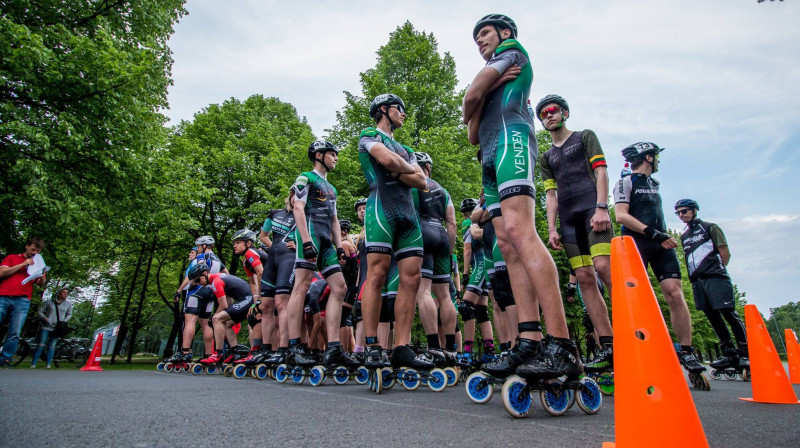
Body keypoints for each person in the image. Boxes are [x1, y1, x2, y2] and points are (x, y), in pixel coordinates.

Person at [463, 14, 581, 378]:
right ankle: (528, 338)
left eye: (484, 34)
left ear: (505, 33)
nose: (480, 41)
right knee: (506, 243)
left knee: (520, 232)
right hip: (488, 152)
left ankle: (561, 343)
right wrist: (482, 95)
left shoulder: (513, 52)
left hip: (511, 140)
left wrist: (481, 94)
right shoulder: (498, 71)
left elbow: (470, 97)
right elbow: (470, 129)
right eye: (477, 37)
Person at [535, 94, 615, 371]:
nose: (548, 116)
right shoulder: (546, 157)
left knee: (604, 267)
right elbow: (551, 195)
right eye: (543, 114)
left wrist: (602, 207)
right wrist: (552, 228)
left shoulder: (585, 137)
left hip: (593, 212)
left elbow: (602, 172)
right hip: (568, 221)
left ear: (565, 113)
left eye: (553, 111)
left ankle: (634, 332)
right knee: (584, 277)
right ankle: (609, 345)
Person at [613, 142, 705, 374]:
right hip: (638, 243)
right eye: (656, 157)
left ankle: (686, 350)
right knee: (637, 300)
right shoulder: (625, 181)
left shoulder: (655, 183)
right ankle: (639, 348)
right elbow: (621, 216)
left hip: (661, 244)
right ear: (649, 158)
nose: (658, 161)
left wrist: (659, 235)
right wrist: (653, 233)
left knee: (675, 293)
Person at [358, 93, 431, 372]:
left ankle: (402, 346)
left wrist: (401, 168)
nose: (403, 114)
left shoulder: (406, 147)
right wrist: (404, 170)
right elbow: (385, 160)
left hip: (408, 216)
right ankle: (373, 344)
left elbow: (422, 181)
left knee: (411, 279)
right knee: (377, 274)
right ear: (384, 110)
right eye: (400, 109)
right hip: (381, 209)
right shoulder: (368, 134)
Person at [285, 140, 356, 368]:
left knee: (340, 288)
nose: (336, 158)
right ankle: (294, 346)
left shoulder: (332, 188)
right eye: (332, 154)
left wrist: (338, 246)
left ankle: (334, 348)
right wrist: (305, 241)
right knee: (302, 285)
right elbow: (297, 207)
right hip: (310, 235)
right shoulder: (306, 177)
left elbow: (335, 220)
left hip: (326, 240)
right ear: (318, 155)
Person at [675, 199, 748, 370]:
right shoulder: (684, 235)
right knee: (712, 316)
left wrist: (718, 270)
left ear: (694, 210)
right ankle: (729, 352)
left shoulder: (710, 227)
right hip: (697, 281)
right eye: (678, 213)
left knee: (728, 313)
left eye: (684, 211)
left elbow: (725, 252)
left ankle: (745, 352)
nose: (681, 215)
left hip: (715, 276)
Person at [411, 152, 458, 365]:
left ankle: (434, 348)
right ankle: (451, 349)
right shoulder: (443, 190)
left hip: (422, 233)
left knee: (424, 291)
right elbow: (452, 223)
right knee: (445, 295)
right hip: (442, 236)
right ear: (429, 167)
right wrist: (449, 251)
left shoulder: (413, 184)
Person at [260, 189, 298, 366]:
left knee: (281, 303)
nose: (296, 198)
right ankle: (266, 350)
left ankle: (283, 349)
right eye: (294, 194)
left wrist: (299, 246)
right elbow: (263, 236)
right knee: (266, 305)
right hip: (272, 261)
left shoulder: (305, 216)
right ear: (289, 196)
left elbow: (319, 235)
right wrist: (276, 247)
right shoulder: (274, 214)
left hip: (288, 260)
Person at [189, 264, 255, 365]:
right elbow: (229, 302)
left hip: (248, 300)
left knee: (216, 319)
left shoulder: (215, 282)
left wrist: (213, 317)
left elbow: (223, 305)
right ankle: (235, 353)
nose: (198, 283)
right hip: (246, 299)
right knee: (228, 324)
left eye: (198, 280)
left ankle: (218, 354)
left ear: (205, 274)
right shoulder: (218, 278)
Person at [0, 237, 47, 368]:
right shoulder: (12, 258)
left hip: (22, 300)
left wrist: (42, 276)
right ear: (27, 246)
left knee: (14, 332)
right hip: (3, 296)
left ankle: (5, 359)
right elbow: (2, 272)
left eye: (37, 251)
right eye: (32, 249)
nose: (34, 253)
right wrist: (23, 264)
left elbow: (40, 284)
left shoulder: (37, 264)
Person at [231, 229, 271, 364]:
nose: (234, 246)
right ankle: (257, 351)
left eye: (238, 242)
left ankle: (258, 352)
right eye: (234, 243)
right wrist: (255, 302)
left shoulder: (251, 253)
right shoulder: (245, 261)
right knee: (254, 315)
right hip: (268, 285)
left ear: (248, 243)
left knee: (258, 316)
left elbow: (261, 273)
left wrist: (260, 299)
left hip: (274, 283)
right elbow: (252, 281)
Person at [31, 287, 73, 368]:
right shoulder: (49, 302)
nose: (65, 294)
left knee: (52, 346)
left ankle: (48, 364)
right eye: (63, 292)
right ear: (59, 293)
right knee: (41, 344)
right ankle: (33, 363)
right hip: (46, 326)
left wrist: (64, 320)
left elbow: (69, 314)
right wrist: (45, 318)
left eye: (66, 293)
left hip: (57, 327)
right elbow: (40, 311)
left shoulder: (68, 304)